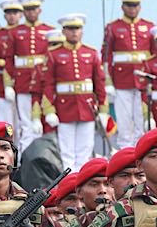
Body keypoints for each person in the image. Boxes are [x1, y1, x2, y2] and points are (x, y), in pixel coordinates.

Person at [43, 14, 109, 171]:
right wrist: (49, 110)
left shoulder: (91, 53)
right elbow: (48, 84)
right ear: (63, 31)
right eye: (70, 29)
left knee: (85, 150)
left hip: (87, 108)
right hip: (65, 108)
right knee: (67, 152)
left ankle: (83, 180)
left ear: (82, 31)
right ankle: (69, 183)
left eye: (77, 28)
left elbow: (99, 83)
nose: (74, 32)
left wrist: (103, 109)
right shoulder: (54, 54)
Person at [103, 0, 154, 149]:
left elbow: (153, 55)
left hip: (143, 81)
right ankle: (125, 152)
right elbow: (106, 56)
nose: (132, 9)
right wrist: (108, 81)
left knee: (141, 121)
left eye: (135, 5)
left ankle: (141, 151)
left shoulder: (149, 27)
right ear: (122, 7)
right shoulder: (113, 27)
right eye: (129, 5)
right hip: (121, 80)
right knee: (124, 121)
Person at [3, 0, 53, 151]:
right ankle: (26, 157)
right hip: (23, 82)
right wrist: (8, 84)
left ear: (40, 10)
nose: (31, 12)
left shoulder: (49, 31)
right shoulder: (15, 32)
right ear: (23, 12)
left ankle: (42, 155)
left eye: (34, 9)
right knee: (25, 123)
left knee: (43, 121)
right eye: (28, 10)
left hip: (43, 83)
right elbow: (9, 59)